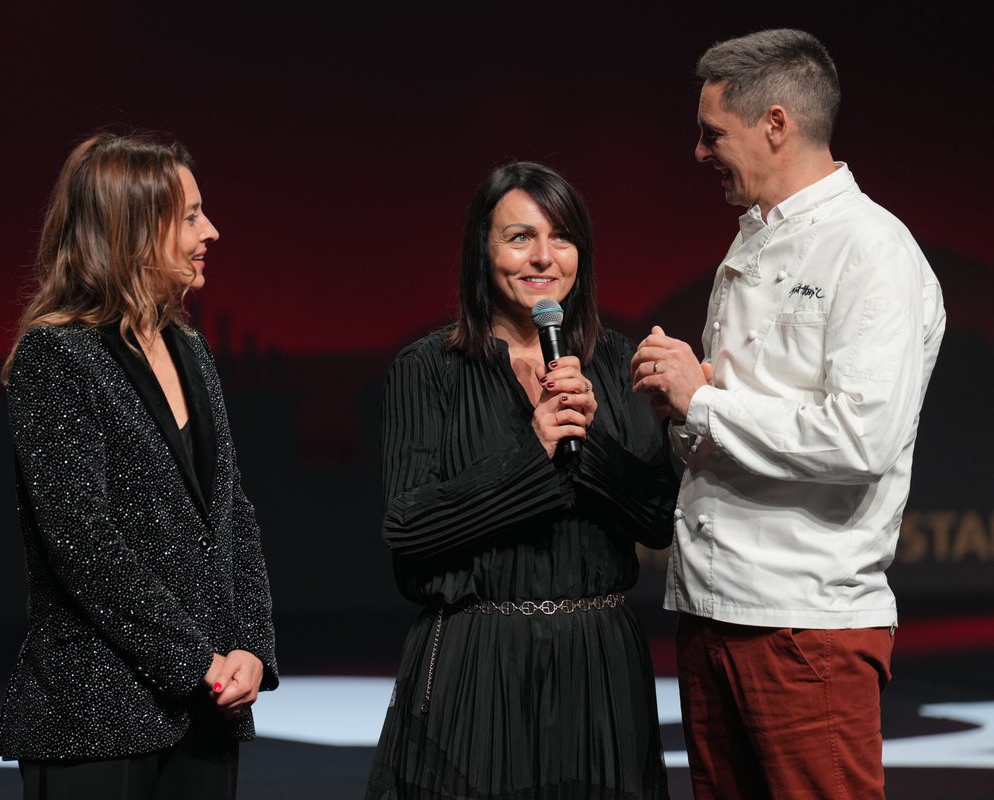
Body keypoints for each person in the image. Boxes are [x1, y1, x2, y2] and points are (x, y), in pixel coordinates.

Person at [631, 29, 946, 800]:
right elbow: (724, 431)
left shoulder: (873, 250)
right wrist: (684, 402)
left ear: (776, 123)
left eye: (713, 134)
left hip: (807, 625)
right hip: (709, 610)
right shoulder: (744, 250)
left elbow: (858, 438)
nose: (700, 154)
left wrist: (703, 400)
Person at [366, 161, 676, 800]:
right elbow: (409, 523)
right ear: (482, 250)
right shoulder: (428, 370)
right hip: (475, 661)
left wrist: (588, 446)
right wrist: (532, 451)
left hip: (600, 663)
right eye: (518, 237)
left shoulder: (617, 363)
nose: (543, 256)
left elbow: (659, 516)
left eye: (561, 236)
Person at [0, 131, 278, 800]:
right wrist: (196, 662)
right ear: (132, 231)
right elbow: (82, 543)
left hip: (204, 711)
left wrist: (250, 650)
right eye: (189, 216)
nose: (211, 230)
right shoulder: (56, 358)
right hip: (98, 715)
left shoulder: (190, 348)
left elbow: (232, 511)